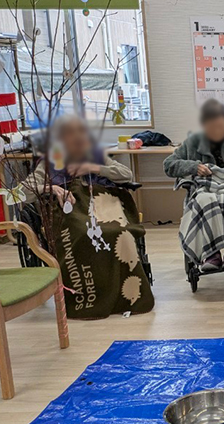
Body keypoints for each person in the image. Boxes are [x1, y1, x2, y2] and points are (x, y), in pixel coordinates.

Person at [20, 114, 154, 319]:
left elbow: (126, 175)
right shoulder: (50, 161)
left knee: (119, 232)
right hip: (71, 213)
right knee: (83, 234)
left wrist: (94, 167)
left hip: (103, 207)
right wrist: (51, 187)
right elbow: (23, 192)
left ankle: (125, 295)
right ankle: (90, 293)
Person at [164, 99, 224, 271]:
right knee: (205, 200)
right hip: (204, 186)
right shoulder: (193, 141)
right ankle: (211, 253)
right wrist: (193, 167)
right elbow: (169, 164)